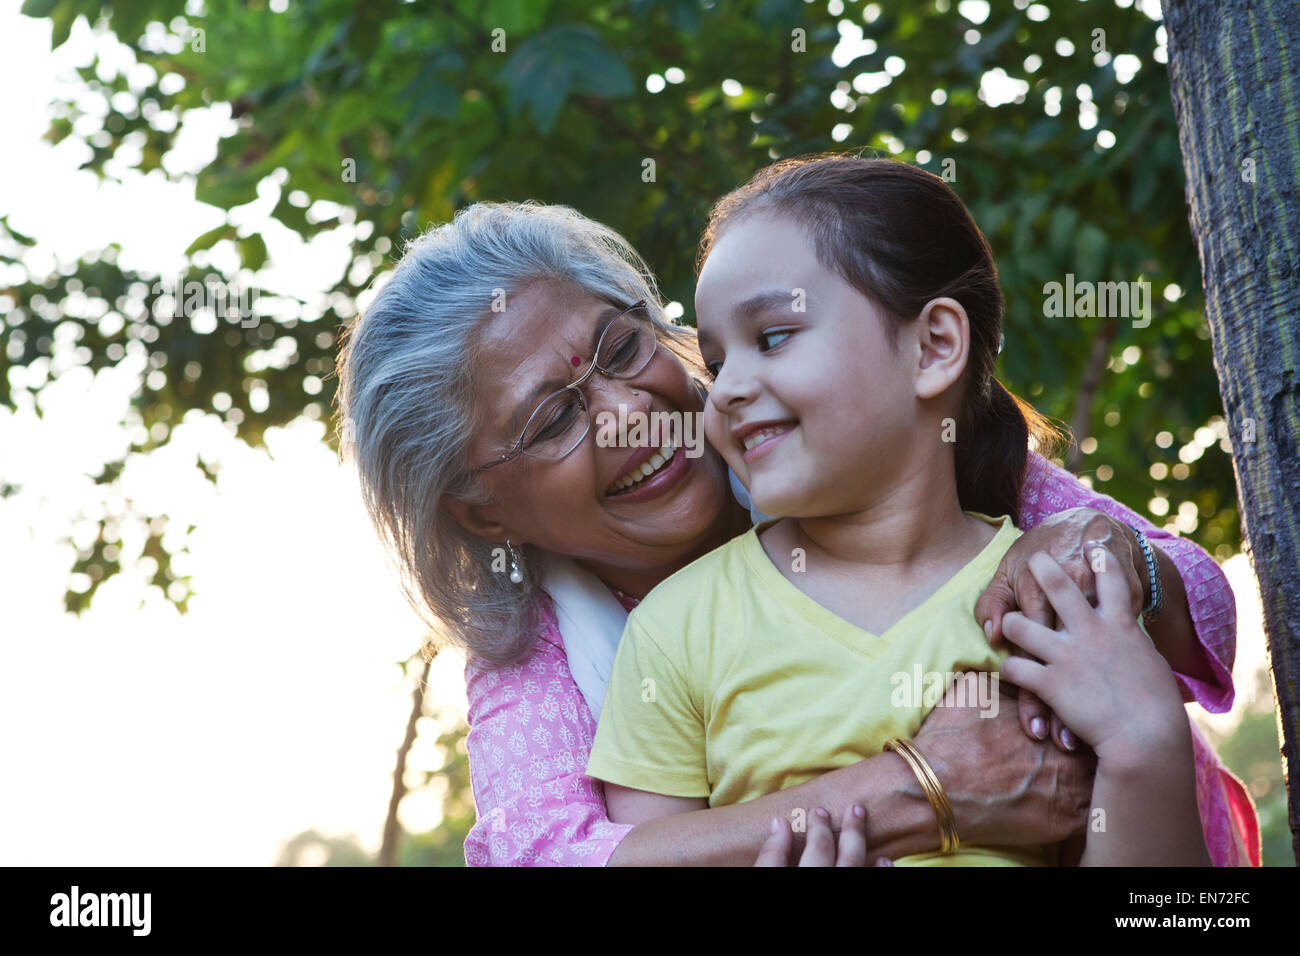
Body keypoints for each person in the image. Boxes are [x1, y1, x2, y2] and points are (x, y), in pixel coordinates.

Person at [334, 196, 1255, 866]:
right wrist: (921, 791)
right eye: (551, 422)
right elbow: (549, 856)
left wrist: (1110, 554)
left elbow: (1206, 611)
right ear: (482, 511)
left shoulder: (865, 448)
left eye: (623, 348)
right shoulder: (549, 644)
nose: (626, 415)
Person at [586, 155, 1213, 865]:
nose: (725, 391)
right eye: (716, 361)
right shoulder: (680, 627)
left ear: (934, 347)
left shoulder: (1047, 603)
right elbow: (639, 851)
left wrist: (1145, 745)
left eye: (773, 337)